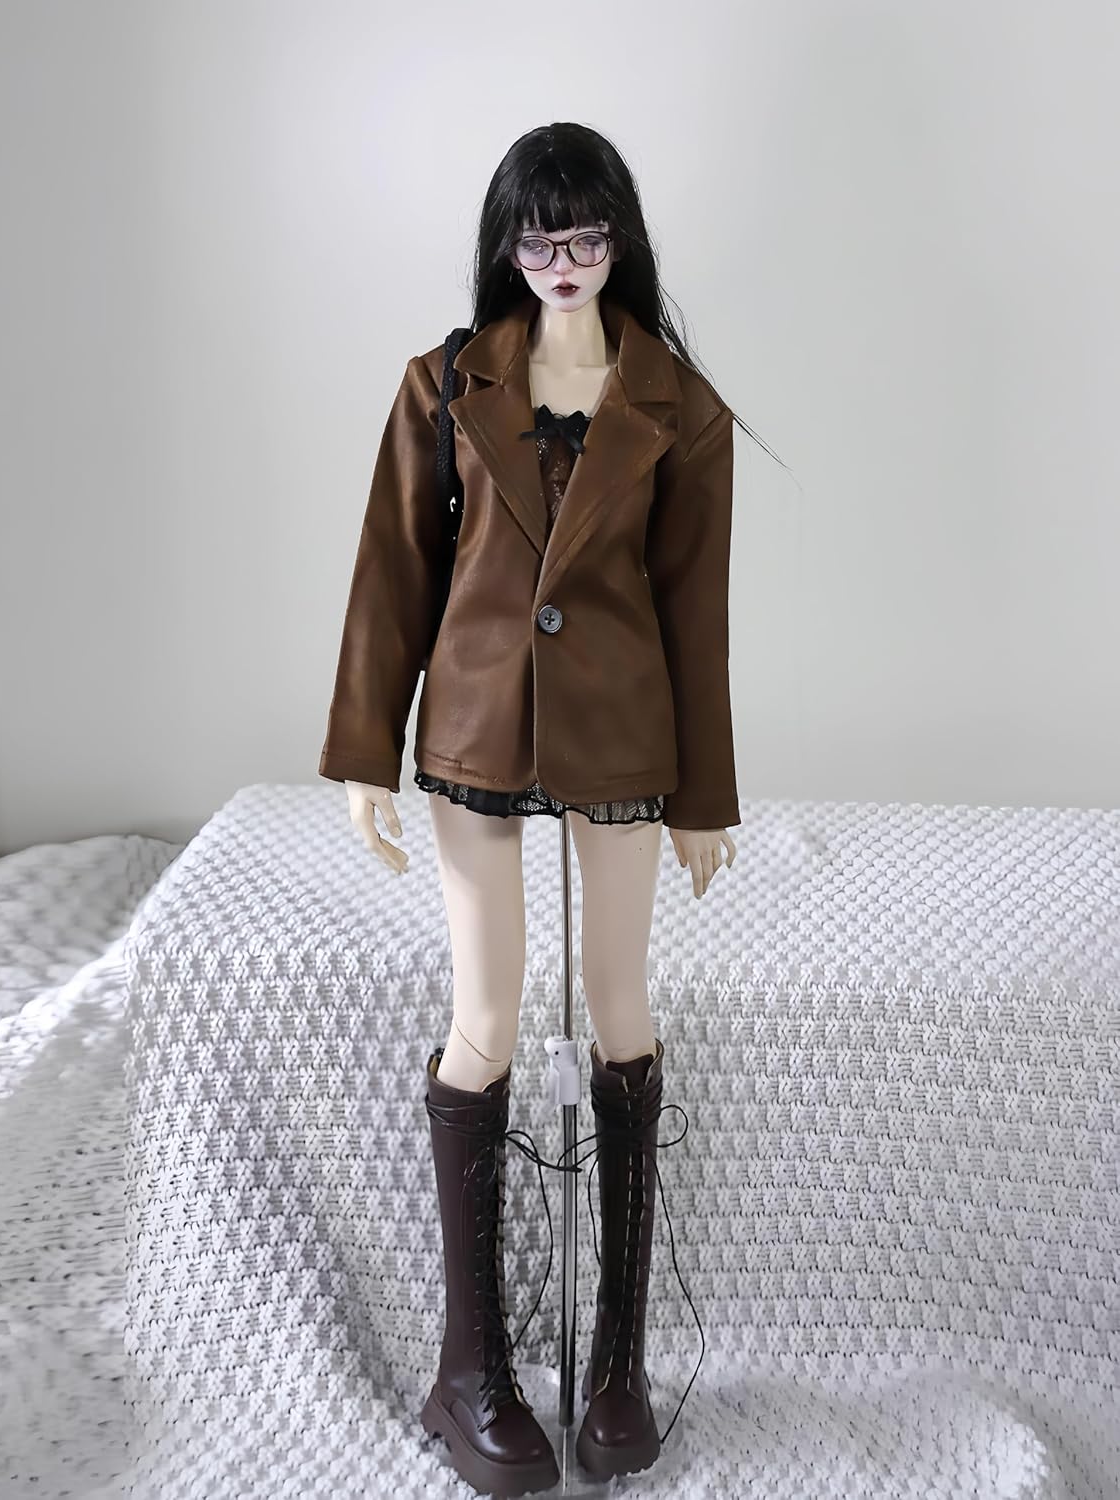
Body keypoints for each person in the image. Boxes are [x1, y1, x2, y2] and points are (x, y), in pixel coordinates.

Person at [319, 120, 766, 1494]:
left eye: (584, 234)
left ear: (618, 238)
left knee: (621, 1010)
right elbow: (394, 570)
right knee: (488, 1019)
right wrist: (362, 754)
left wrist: (704, 796)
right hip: (475, 724)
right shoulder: (445, 385)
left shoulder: (676, 403)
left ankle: (617, 1365)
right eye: (538, 236)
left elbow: (695, 612)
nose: (562, 260)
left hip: (623, 736)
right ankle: (472, 1371)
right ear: (506, 246)